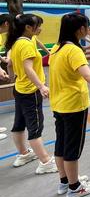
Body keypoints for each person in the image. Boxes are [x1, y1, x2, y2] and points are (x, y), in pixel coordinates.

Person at [49, 13, 90, 197]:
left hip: (59, 104)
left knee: (61, 143)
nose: (88, 30)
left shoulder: (56, 48)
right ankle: (75, 187)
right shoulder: (74, 51)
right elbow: (89, 76)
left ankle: (65, 181)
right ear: (81, 30)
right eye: (87, 27)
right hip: (73, 105)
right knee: (72, 147)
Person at [6, 14, 57, 174]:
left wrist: (13, 79)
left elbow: (12, 65)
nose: (40, 28)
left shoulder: (16, 43)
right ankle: (46, 162)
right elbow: (28, 68)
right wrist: (41, 86)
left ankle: (24, 154)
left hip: (20, 88)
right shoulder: (26, 45)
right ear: (28, 27)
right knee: (35, 128)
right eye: (38, 25)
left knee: (19, 124)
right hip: (30, 91)